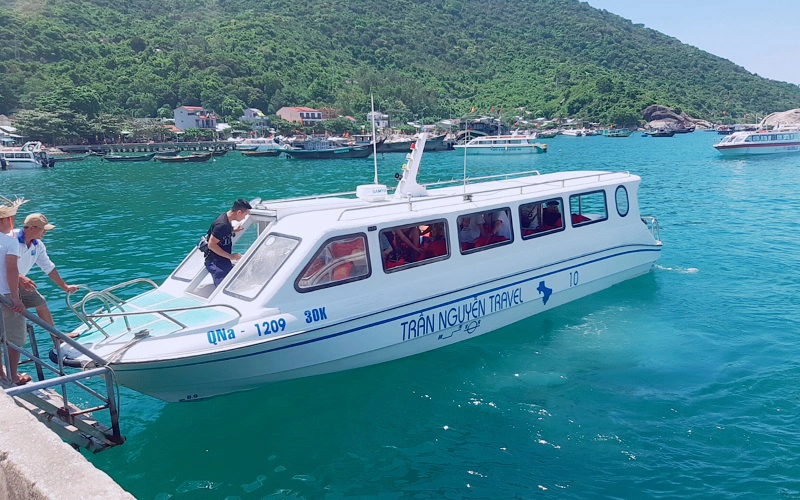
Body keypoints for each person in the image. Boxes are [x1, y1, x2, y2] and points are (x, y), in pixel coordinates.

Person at [11, 213, 79, 346]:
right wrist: (19, 277)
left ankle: (56, 337)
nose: (45, 233)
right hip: (4, 283)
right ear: (31, 228)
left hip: (19, 283)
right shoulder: (10, 239)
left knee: (41, 303)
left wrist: (65, 286)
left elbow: (49, 267)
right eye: (43, 229)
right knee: (9, 323)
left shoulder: (38, 245)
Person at [0, 196, 29, 385]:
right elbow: (12, 270)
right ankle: (13, 375)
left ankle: (1, 374)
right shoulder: (10, 243)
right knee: (14, 337)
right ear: (5, 220)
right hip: (5, 294)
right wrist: (16, 299)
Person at [204, 198, 252, 286]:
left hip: (223, 260)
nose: (244, 218)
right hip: (216, 262)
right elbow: (211, 245)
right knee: (222, 287)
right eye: (244, 215)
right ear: (239, 212)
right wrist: (231, 256)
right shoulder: (222, 224)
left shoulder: (226, 219)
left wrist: (233, 230)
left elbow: (220, 234)